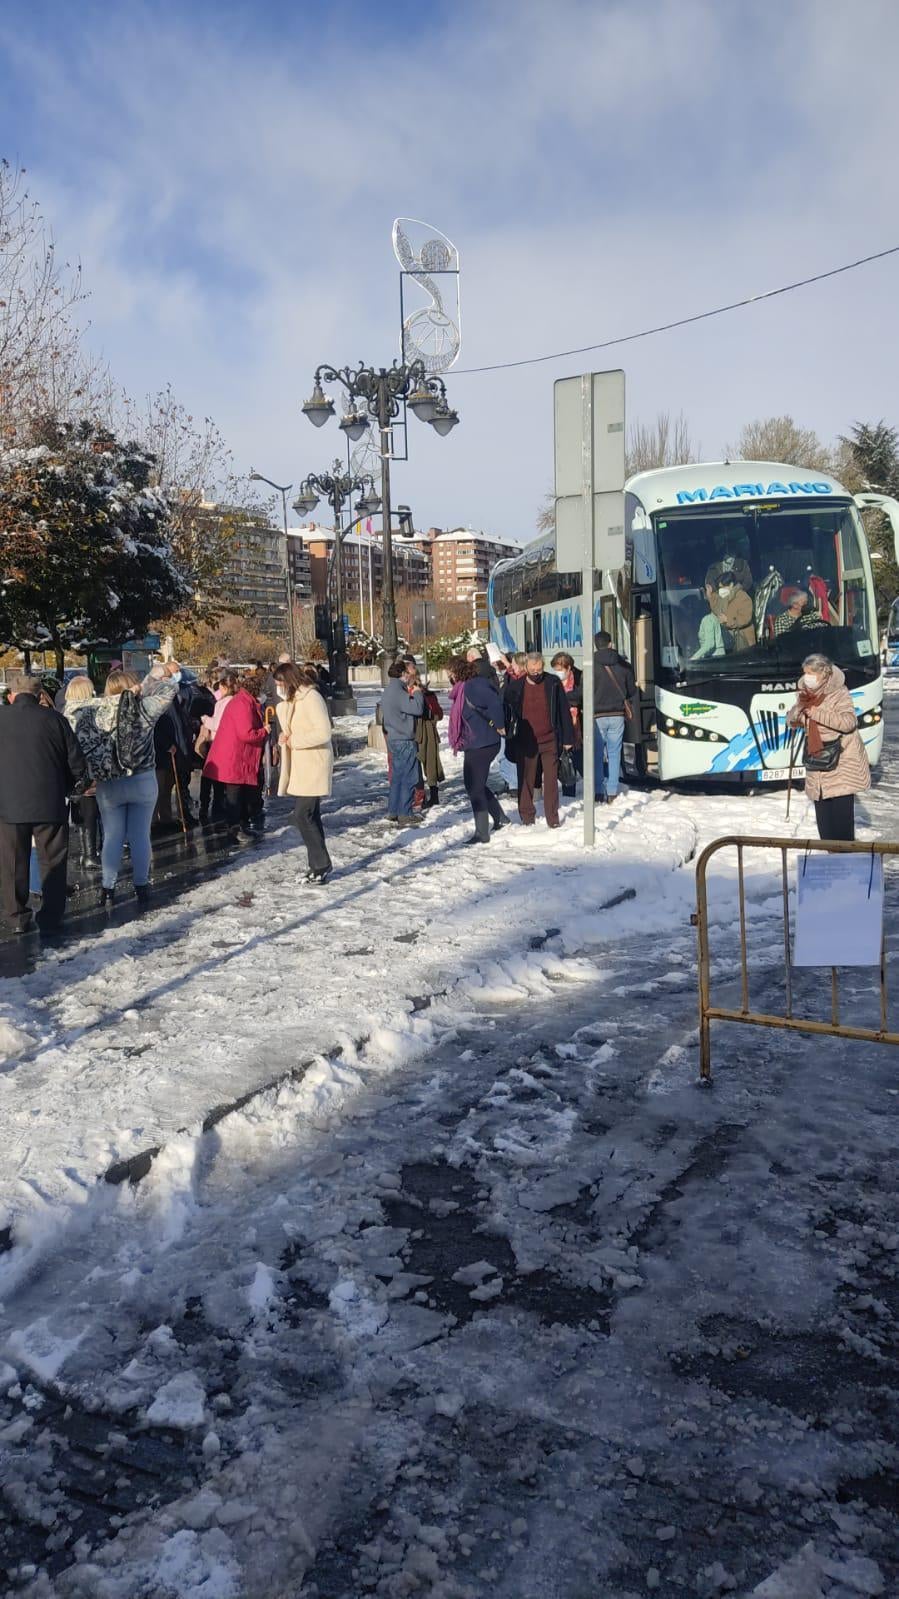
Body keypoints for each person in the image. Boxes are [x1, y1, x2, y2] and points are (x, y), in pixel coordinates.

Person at [65, 661, 181, 906]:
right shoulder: (143, 709)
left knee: (112, 836)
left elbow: (70, 711)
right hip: (143, 778)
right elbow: (170, 689)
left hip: (110, 782)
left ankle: (108, 887)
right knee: (140, 835)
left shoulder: (96, 710)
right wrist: (150, 680)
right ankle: (141, 885)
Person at [0, 676, 87, 934]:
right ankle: (50, 917)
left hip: (7, 804)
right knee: (52, 861)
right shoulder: (55, 720)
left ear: (11, 696)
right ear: (39, 696)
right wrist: (69, 787)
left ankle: (16, 917)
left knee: (13, 862)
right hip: (50, 801)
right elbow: (76, 764)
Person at [787, 653, 870, 840]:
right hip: (818, 767)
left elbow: (848, 722)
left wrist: (815, 713)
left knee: (842, 833)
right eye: (804, 672)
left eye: (810, 673)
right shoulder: (804, 694)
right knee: (825, 832)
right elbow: (792, 718)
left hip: (841, 767)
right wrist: (796, 715)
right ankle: (830, 864)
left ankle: (846, 866)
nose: (806, 677)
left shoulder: (839, 693)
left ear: (823, 673)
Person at [275, 663, 334, 883]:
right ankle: (316, 863)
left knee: (302, 814)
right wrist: (285, 737)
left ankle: (321, 863)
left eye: (280, 683)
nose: (278, 687)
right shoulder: (292, 701)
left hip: (314, 763)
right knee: (310, 815)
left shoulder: (311, 698)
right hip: (303, 764)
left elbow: (323, 732)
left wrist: (294, 741)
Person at [503, 651, 574, 829]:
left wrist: (567, 737)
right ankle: (527, 816)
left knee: (550, 780)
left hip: (550, 739)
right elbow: (507, 711)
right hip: (526, 742)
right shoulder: (516, 687)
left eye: (539, 669)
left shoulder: (552, 683)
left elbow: (563, 710)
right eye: (533, 669)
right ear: (526, 667)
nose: (536, 672)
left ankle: (553, 817)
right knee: (526, 779)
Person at [202, 670, 268, 844]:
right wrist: (263, 732)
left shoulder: (243, 701)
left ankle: (240, 825)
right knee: (234, 794)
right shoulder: (243, 704)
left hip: (236, 755)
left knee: (238, 793)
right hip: (233, 756)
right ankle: (234, 828)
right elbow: (246, 733)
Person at [448, 657, 508, 844]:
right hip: (476, 742)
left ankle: (482, 832)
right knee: (476, 784)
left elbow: (494, 703)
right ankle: (500, 818)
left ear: (456, 672)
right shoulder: (465, 687)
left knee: (474, 786)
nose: (448, 676)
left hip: (482, 743)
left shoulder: (474, 686)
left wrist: (500, 725)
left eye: (449, 673)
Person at [593, 631, 637, 804]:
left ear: (596, 645)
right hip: (617, 715)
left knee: (596, 754)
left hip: (597, 716)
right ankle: (612, 791)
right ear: (611, 644)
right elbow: (631, 691)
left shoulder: (591, 665)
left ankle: (597, 790)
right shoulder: (624, 665)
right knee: (614, 752)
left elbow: (584, 691)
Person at [63, 676, 101, 872]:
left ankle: (86, 852)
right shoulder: (88, 712)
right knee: (90, 811)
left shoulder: (65, 712)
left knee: (82, 810)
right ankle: (90, 854)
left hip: (71, 770)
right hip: (88, 768)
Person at [381, 660, 424, 826]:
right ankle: (405, 813)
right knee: (409, 777)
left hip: (394, 738)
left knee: (398, 777)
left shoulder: (389, 690)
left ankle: (394, 810)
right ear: (402, 674)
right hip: (404, 739)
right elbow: (417, 708)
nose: (410, 675)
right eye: (408, 672)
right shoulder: (398, 691)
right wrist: (418, 692)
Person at [550, 652, 583, 796]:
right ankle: (568, 791)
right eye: (556, 669)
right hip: (561, 726)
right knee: (565, 760)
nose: (558, 672)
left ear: (569, 667)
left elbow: (580, 696)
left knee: (579, 759)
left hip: (577, 726)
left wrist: (563, 700)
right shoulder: (553, 681)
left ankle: (592, 789)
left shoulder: (579, 678)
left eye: (560, 668)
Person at [415, 674, 445, 808]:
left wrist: (432, 716)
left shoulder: (428, 695)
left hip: (427, 730)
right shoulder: (404, 694)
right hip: (413, 732)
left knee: (431, 763)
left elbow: (439, 714)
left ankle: (433, 796)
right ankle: (419, 796)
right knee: (415, 765)